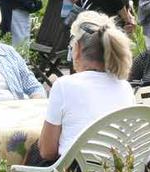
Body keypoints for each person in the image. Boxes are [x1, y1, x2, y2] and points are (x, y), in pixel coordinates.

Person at [34, 12, 135, 162]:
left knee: (34, 153)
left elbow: (47, 152)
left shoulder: (64, 85)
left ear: (78, 48)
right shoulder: (125, 87)